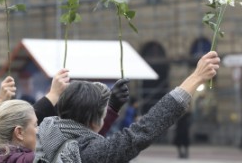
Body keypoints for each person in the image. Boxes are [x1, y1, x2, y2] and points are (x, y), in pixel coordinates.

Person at [34, 51, 220, 163]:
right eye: (102, 112)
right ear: (94, 121)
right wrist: (195, 77)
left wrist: (112, 106)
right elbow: (146, 129)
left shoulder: (42, 134)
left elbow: (85, 132)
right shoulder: (89, 154)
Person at [0, 74, 130, 162]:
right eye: (35, 125)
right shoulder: (31, 159)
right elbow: (83, 143)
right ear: (18, 132)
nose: (41, 128)